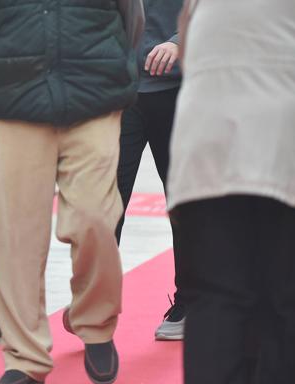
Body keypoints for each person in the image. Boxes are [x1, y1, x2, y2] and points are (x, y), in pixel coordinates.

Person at [0, 1, 143, 384]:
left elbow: (132, 17)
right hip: (12, 95)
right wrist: (3, 59)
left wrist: (107, 61)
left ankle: (94, 321)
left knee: (95, 217)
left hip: (95, 92)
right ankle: (25, 359)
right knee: (16, 238)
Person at [167, 0, 295, 384]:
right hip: (288, 143)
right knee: (290, 300)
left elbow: (189, 45)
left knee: (216, 297)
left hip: (206, 143)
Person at [114, 0, 186, 340]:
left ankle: (189, 302)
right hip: (117, 92)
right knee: (105, 206)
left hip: (175, 91)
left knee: (183, 205)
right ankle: (97, 305)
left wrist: (179, 40)